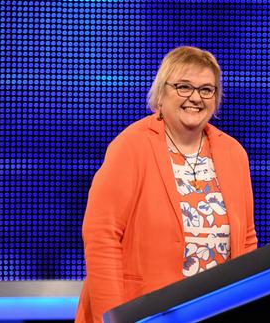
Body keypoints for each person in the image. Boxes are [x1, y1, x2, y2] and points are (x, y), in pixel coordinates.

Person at [76, 46, 257, 322]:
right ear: (161, 93)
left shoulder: (234, 153)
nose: (195, 98)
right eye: (184, 87)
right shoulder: (131, 146)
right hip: (143, 311)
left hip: (214, 309)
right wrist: (112, 317)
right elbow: (101, 235)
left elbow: (246, 239)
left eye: (206, 90)